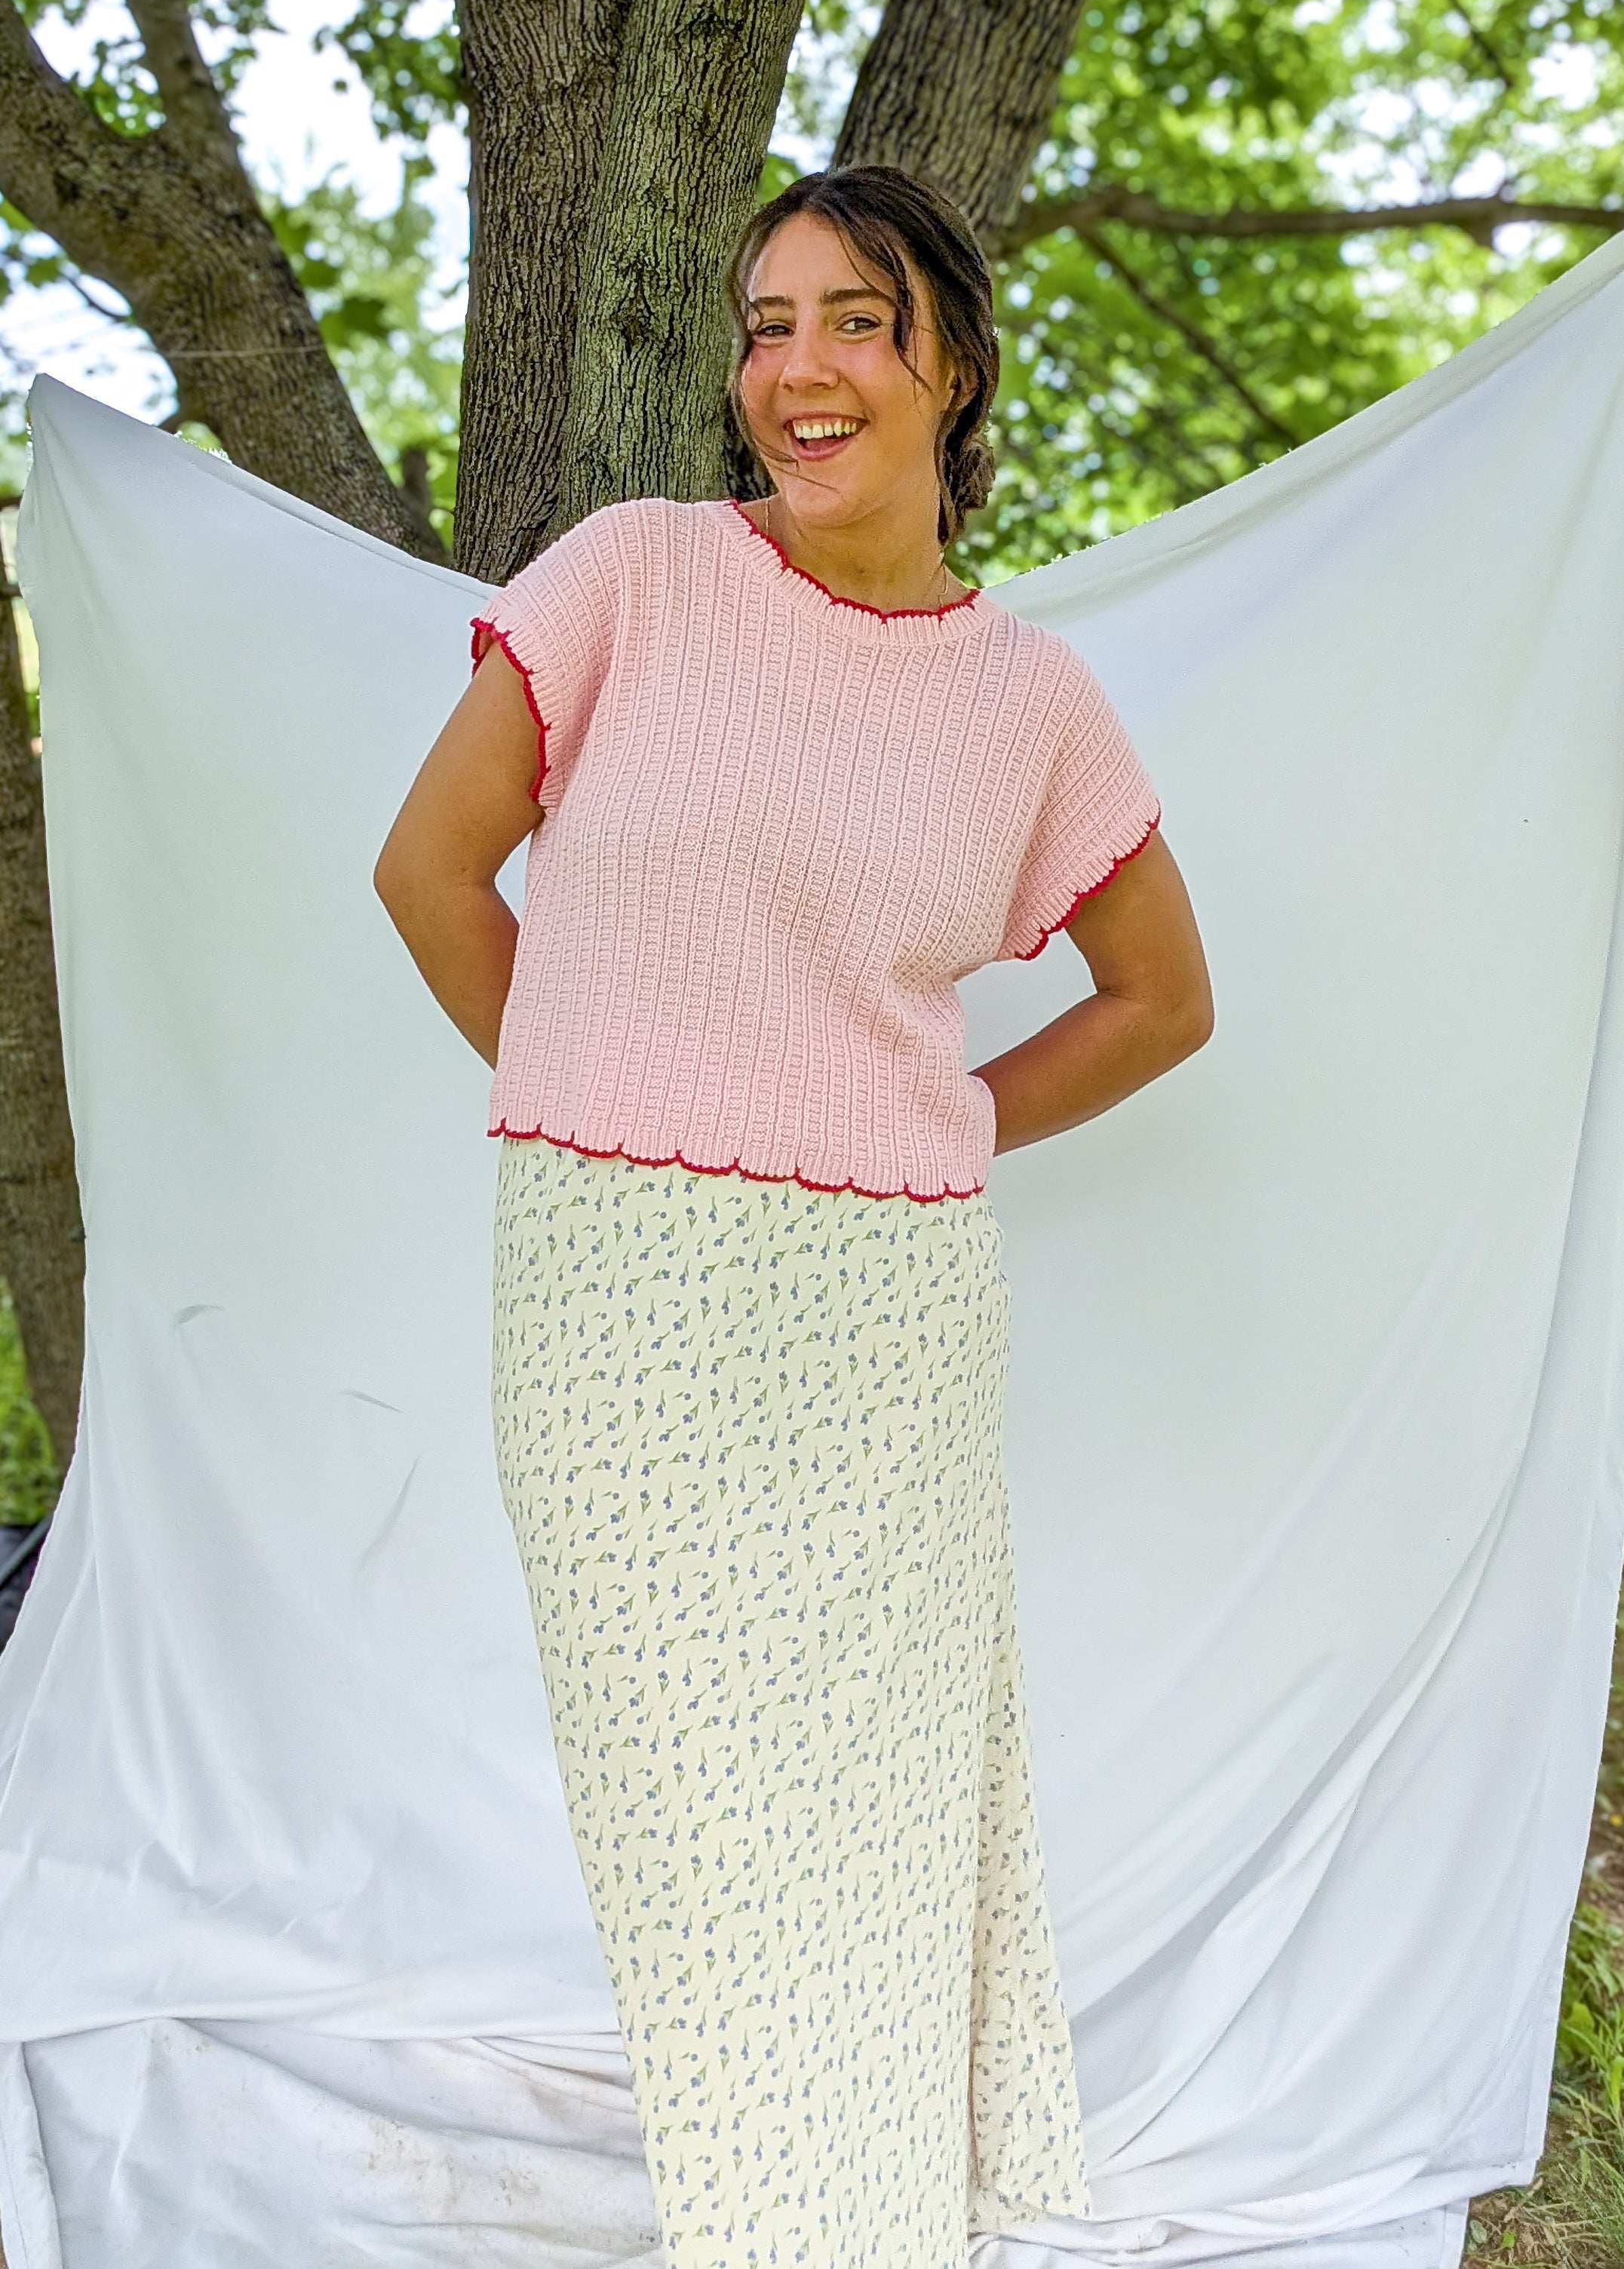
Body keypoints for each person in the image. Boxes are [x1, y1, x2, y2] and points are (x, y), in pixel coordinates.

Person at [373, 164, 1213, 2269]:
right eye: (767, 322)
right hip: (614, 1289)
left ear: (952, 360)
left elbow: (1159, 1003)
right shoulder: (629, 578)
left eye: (855, 317)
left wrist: (918, 1130)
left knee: (870, 1805)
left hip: (881, 1309)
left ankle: (826, 2227)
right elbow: (428, 871)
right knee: (690, 1813)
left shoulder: (1029, 701)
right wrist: (606, 1093)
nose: (799, 367)